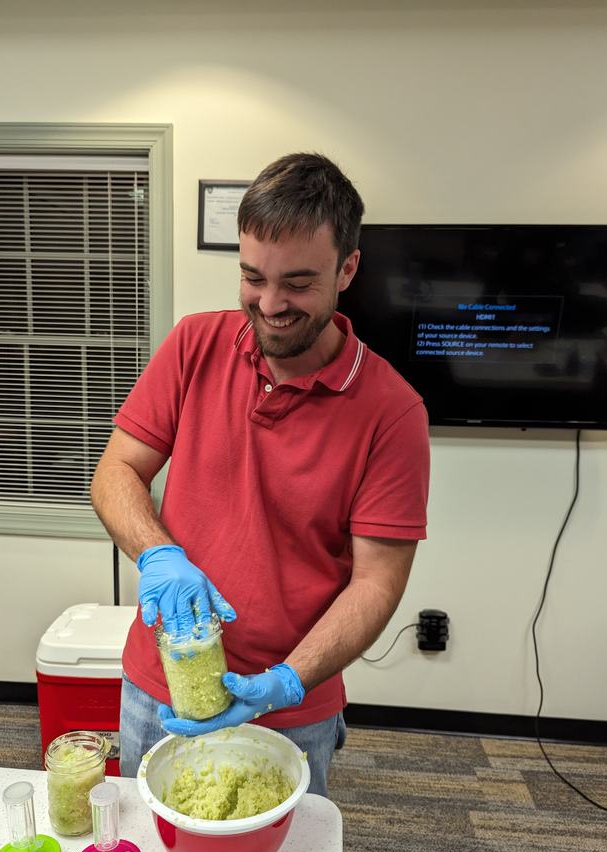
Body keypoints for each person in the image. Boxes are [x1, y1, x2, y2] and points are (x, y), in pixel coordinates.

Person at [90, 152, 430, 797]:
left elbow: (377, 584)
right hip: (159, 685)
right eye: (252, 277)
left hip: (289, 712)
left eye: (298, 283)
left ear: (347, 269)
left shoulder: (392, 412)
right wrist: (158, 553)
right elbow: (115, 472)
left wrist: (288, 680)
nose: (269, 304)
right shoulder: (194, 345)